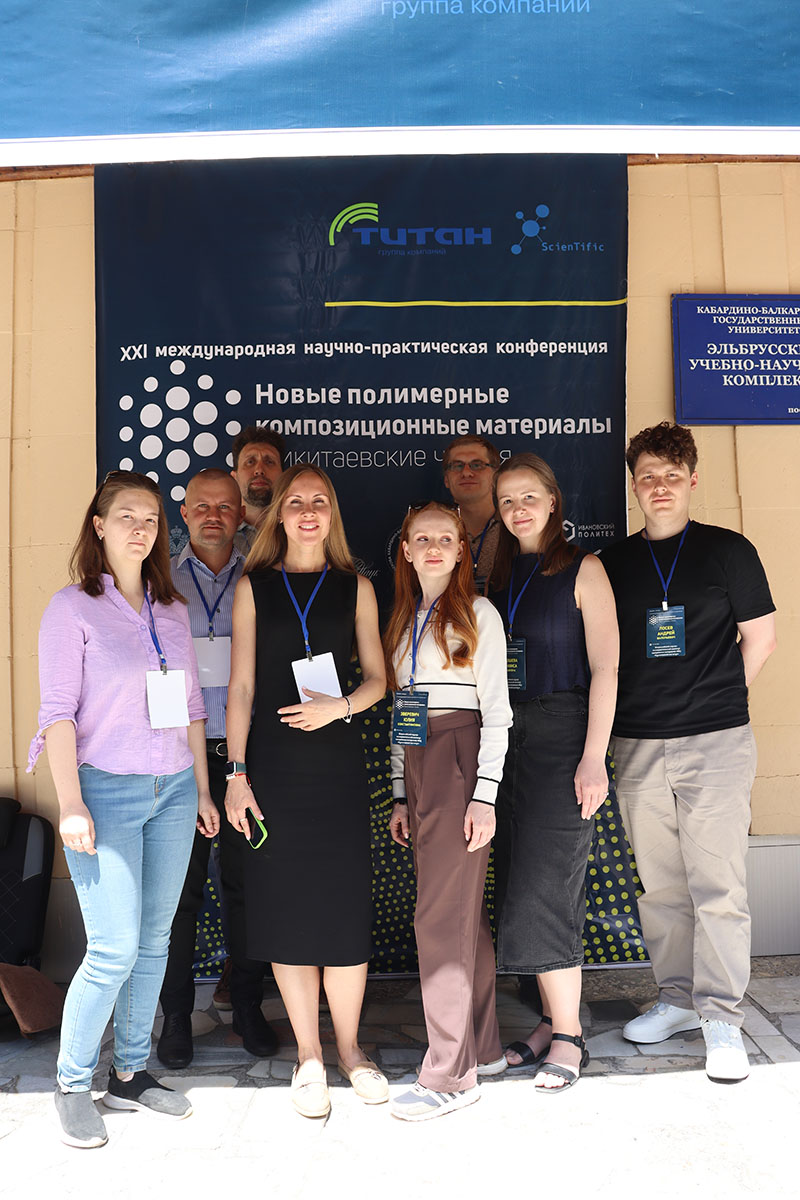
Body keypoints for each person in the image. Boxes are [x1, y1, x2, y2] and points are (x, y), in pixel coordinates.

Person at [28, 471, 216, 1149]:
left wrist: (202, 789)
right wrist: (70, 804)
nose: (140, 528)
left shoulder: (170, 609)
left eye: (150, 519)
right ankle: (73, 1083)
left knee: (154, 942)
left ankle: (130, 1074)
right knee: (112, 948)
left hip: (174, 791)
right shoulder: (71, 609)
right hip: (104, 792)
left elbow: (190, 706)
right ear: (99, 525)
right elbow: (57, 713)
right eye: (126, 516)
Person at [602, 422, 776, 1083]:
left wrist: (714, 700)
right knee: (662, 888)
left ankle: (722, 1017)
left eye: (672, 475)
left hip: (716, 741)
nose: (660, 487)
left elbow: (761, 640)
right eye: (648, 476)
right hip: (638, 743)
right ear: (634, 485)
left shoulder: (729, 551)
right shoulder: (614, 564)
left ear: (692, 480)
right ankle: (677, 999)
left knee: (718, 886)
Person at [224, 464, 388, 1118]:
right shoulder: (254, 587)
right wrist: (236, 774)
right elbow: (240, 687)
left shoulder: (356, 587)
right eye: (296, 502)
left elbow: (378, 679)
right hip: (272, 770)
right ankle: (310, 1056)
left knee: (343, 911)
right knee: (288, 911)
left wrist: (338, 707)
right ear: (280, 515)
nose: (309, 511)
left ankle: (351, 1050)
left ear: (332, 514)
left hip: (337, 767)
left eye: (320, 501)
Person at [490, 453, 618, 1092]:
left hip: (564, 736)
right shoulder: (496, 574)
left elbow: (607, 668)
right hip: (504, 742)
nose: (518, 509)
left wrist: (594, 756)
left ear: (552, 501)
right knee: (519, 880)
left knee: (547, 885)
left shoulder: (584, 568)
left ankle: (569, 1036)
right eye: (507, 500)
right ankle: (547, 1022)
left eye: (529, 497)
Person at [385, 501, 512, 1121]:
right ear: (406, 550)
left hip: (460, 758)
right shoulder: (401, 619)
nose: (433, 547)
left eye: (446, 538)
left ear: (462, 549)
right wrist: (400, 792)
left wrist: (484, 795)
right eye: (422, 539)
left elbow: (498, 714)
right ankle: (483, 1049)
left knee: (440, 918)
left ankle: (449, 1076)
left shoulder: (479, 614)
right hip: (420, 766)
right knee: (461, 917)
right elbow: (401, 714)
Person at [157, 469, 276, 1068]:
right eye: (200, 506)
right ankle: (176, 1015)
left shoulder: (262, 579)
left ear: (241, 514)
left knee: (247, 886)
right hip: (179, 753)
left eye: (224, 507)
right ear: (183, 513)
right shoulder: (158, 581)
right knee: (179, 893)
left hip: (246, 754)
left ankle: (248, 1006)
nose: (212, 516)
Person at [442, 435, 502, 594]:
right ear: (446, 479)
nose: (466, 473)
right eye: (457, 466)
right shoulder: (434, 533)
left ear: (495, 476)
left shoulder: (516, 527)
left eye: (477, 465)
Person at [230, 425, 285, 554]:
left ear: (283, 476)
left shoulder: (300, 530)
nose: (259, 470)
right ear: (234, 478)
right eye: (250, 462)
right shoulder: (220, 532)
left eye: (269, 462)